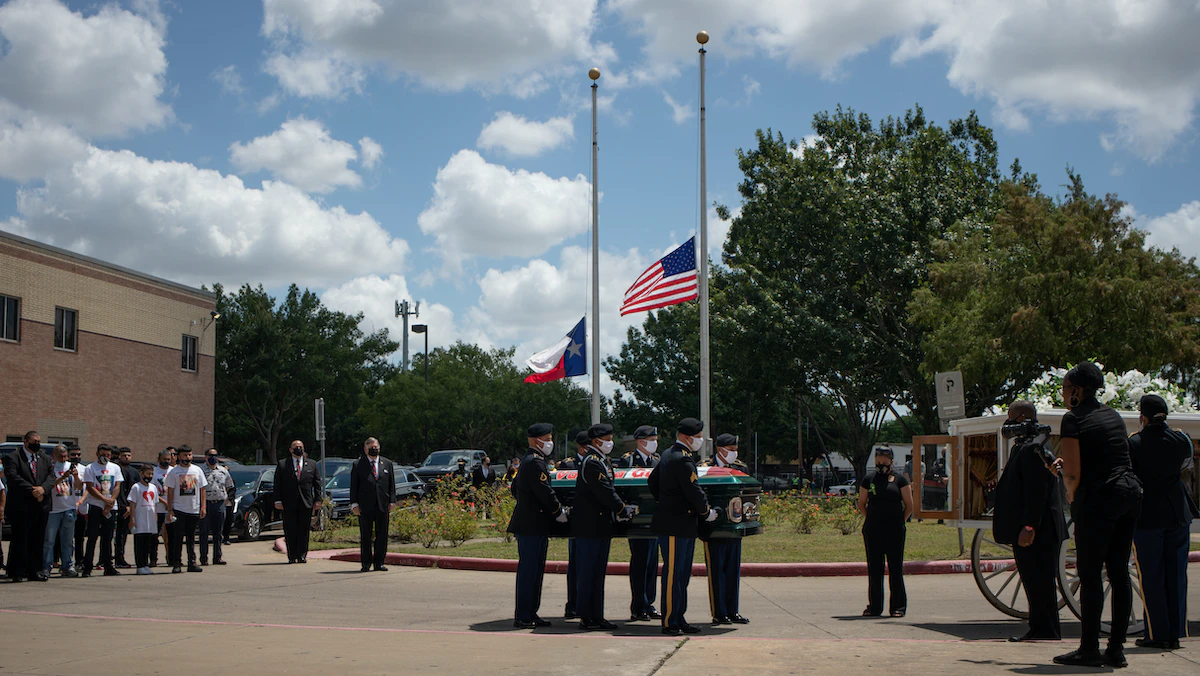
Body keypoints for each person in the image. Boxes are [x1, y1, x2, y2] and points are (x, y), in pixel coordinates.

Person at [1054, 362, 1142, 668]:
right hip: (1129, 493)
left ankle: (1089, 648)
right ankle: (1116, 649)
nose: (1063, 394)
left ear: (1077, 391)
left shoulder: (1073, 419)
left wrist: (1071, 495)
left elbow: (1072, 474)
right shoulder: (1112, 415)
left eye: (1065, 388)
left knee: (1090, 574)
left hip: (1100, 498)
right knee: (1118, 573)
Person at [995, 401, 1066, 642]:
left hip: (1039, 530)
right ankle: (1038, 627)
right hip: (1034, 527)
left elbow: (1037, 493)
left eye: (1011, 417)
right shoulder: (1026, 446)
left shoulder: (1035, 448)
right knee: (1033, 581)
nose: (1008, 423)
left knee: (1040, 580)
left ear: (1023, 418)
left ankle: (1046, 629)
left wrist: (1029, 526)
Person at [1129, 394, 1195, 651]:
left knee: (1152, 576)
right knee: (1176, 575)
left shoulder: (1135, 442)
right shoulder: (1181, 439)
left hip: (1149, 516)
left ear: (1143, 417)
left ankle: (1157, 633)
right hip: (1178, 512)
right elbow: (1186, 464)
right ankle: (1176, 632)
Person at [649, 417, 716, 635]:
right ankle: (670, 620)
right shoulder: (681, 459)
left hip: (682, 524)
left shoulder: (669, 454)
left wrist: (663, 501)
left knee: (682, 575)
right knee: (673, 575)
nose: (700, 440)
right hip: (674, 524)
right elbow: (693, 491)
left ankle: (679, 617)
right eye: (698, 437)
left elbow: (653, 481)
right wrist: (706, 512)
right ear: (687, 437)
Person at [572, 423, 634, 631]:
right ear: (596, 441)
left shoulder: (601, 460)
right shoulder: (592, 462)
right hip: (590, 525)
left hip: (600, 525)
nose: (610, 443)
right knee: (588, 573)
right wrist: (622, 509)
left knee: (597, 574)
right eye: (607, 439)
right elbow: (604, 491)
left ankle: (597, 615)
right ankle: (586, 616)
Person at [507, 423, 568, 629]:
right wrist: (558, 511)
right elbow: (544, 491)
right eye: (547, 439)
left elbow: (515, 488)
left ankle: (530, 612)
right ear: (535, 440)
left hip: (533, 523)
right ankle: (524, 615)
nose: (550, 443)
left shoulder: (530, 461)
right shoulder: (534, 462)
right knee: (529, 572)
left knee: (534, 572)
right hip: (531, 525)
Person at [856, 445, 913, 617]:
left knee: (895, 568)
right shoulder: (868, 479)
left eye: (884, 461)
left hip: (894, 530)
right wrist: (871, 518)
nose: (881, 464)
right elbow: (861, 503)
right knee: (875, 568)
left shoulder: (900, 480)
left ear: (891, 461)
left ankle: (898, 606)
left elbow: (909, 505)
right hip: (873, 530)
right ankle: (874, 606)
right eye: (878, 461)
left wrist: (899, 521)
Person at [700, 433, 750, 625]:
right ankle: (719, 612)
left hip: (733, 526)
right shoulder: (705, 467)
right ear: (720, 449)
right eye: (731, 450)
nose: (734, 453)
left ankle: (732, 611)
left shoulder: (740, 468)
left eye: (736, 450)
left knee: (732, 571)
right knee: (716, 571)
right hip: (713, 527)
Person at [2, 431, 55, 582]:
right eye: (34, 441)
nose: (37, 444)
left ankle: (35, 571)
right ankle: (18, 572)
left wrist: (43, 489)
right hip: (21, 506)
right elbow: (13, 477)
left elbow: (51, 477)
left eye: (38, 441)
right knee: (20, 539)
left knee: (37, 539)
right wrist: (33, 490)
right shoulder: (13, 457)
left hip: (41, 505)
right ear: (25, 442)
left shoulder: (45, 458)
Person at [623, 425, 661, 622]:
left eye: (655, 439)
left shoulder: (657, 460)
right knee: (640, 563)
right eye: (651, 439)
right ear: (640, 441)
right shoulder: (628, 460)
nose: (655, 443)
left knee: (652, 563)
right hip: (637, 520)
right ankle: (638, 606)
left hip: (654, 518)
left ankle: (649, 603)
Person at [273, 440, 323, 564]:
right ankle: (292, 556)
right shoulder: (283, 464)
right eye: (296, 447)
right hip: (288, 503)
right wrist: (278, 500)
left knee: (303, 530)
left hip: (306, 503)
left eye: (301, 447)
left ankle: (302, 555)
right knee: (290, 530)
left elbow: (317, 484)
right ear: (291, 450)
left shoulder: (311, 464)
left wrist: (318, 499)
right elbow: (277, 484)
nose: (299, 448)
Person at [350, 437, 395, 572]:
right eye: (371, 448)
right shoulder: (358, 465)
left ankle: (379, 563)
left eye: (376, 447)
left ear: (379, 448)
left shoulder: (387, 463)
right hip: (365, 506)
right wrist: (354, 504)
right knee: (366, 535)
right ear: (365, 449)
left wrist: (392, 501)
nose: (374, 449)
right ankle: (366, 563)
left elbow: (391, 485)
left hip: (382, 504)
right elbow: (354, 486)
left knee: (382, 535)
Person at [558, 430, 589, 619]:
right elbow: (563, 492)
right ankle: (573, 604)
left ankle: (585, 605)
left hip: (592, 519)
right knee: (576, 564)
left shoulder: (599, 462)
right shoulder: (568, 465)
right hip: (576, 519)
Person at [82, 443, 124, 577]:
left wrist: (110, 501)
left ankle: (108, 566)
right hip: (95, 505)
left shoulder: (115, 468)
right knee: (92, 537)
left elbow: (117, 486)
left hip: (111, 507)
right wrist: (104, 500)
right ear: (97, 454)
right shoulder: (90, 468)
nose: (105, 457)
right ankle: (87, 567)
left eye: (108, 455)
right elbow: (90, 487)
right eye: (103, 455)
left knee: (108, 538)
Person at [165, 445, 208, 573]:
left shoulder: (197, 470)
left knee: (191, 538)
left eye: (189, 455)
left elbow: (202, 489)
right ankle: (176, 563)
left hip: (194, 509)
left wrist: (203, 506)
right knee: (178, 537)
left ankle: (192, 562)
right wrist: (170, 509)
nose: (188, 457)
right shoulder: (174, 472)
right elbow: (170, 491)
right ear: (179, 456)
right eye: (185, 455)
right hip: (179, 509)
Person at [43, 445, 82, 578]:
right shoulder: (50, 468)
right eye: (61, 456)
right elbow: (48, 485)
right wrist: (62, 477)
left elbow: (79, 487)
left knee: (68, 541)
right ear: (54, 456)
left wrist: (76, 477)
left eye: (65, 456)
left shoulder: (72, 467)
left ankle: (68, 566)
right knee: (49, 541)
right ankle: (46, 566)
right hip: (53, 509)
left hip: (69, 508)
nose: (64, 459)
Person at [199, 448, 234, 566]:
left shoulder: (223, 471)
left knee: (218, 532)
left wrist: (225, 498)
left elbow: (229, 485)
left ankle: (217, 557)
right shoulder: (200, 471)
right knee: (204, 532)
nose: (212, 457)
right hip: (205, 503)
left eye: (215, 455)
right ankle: (203, 558)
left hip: (219, 503)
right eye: (210, 455)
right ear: (205, 456)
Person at [126, 464, 161, 575]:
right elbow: (132, 504)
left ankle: (145, 564)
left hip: (150, 520)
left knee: (148, 543)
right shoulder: (136, 487)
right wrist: (132, 519)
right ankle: (140, 565)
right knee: (140, 543)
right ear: (141, 474)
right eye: (147, 474)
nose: (149, 476)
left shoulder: (153, 487)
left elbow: (155, 504)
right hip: (140, 519)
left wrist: (155, 517)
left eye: (151, 474)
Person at [113, 446, 138, 568]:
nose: (126, 457)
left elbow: (136, 491)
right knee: (114, 535)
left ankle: (120, 558)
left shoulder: (134, 472)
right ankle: (107, 559)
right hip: (116, 506)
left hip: (129, 508)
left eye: (128, 455)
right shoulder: (116, 469)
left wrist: (130, 506)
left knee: (123, 534)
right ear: (119, 457)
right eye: (124, 455)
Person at [152, 449, 174, 567]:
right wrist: (163, 501)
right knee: (154, 535)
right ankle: (153, 558)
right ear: (159, 459)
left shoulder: (173, 471)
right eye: (164, 459)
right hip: (158, 508)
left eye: (168, 459)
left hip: (170, 509)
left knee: (170, 535)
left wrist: (170, 503)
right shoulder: (154, 472)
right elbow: (151, 490)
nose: (166, 461)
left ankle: (170, 557)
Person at [68, 445, 87, 568]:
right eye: (73, 454)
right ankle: (65, 562)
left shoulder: (84, 469)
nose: (76, 457)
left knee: (80, 537)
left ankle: (80, 561)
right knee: (66, 538)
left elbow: (87, 488)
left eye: (78, 454)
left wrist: (80, 502)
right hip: (67, 506)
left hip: (81, 507)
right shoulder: (64, 467)